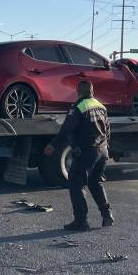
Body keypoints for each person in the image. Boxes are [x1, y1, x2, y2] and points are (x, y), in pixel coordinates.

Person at [44, 80, 114, 232]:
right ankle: (107, 214)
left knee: (76, 183)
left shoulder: (78, 108)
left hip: (88, 151)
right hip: (102, 150)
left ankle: (81, 221)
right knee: (95, 182)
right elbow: (108, 130)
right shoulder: (101, 106)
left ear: (78, 91)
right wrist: (106, 147)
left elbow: (66, 130)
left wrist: (52, 145)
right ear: (92, 91)